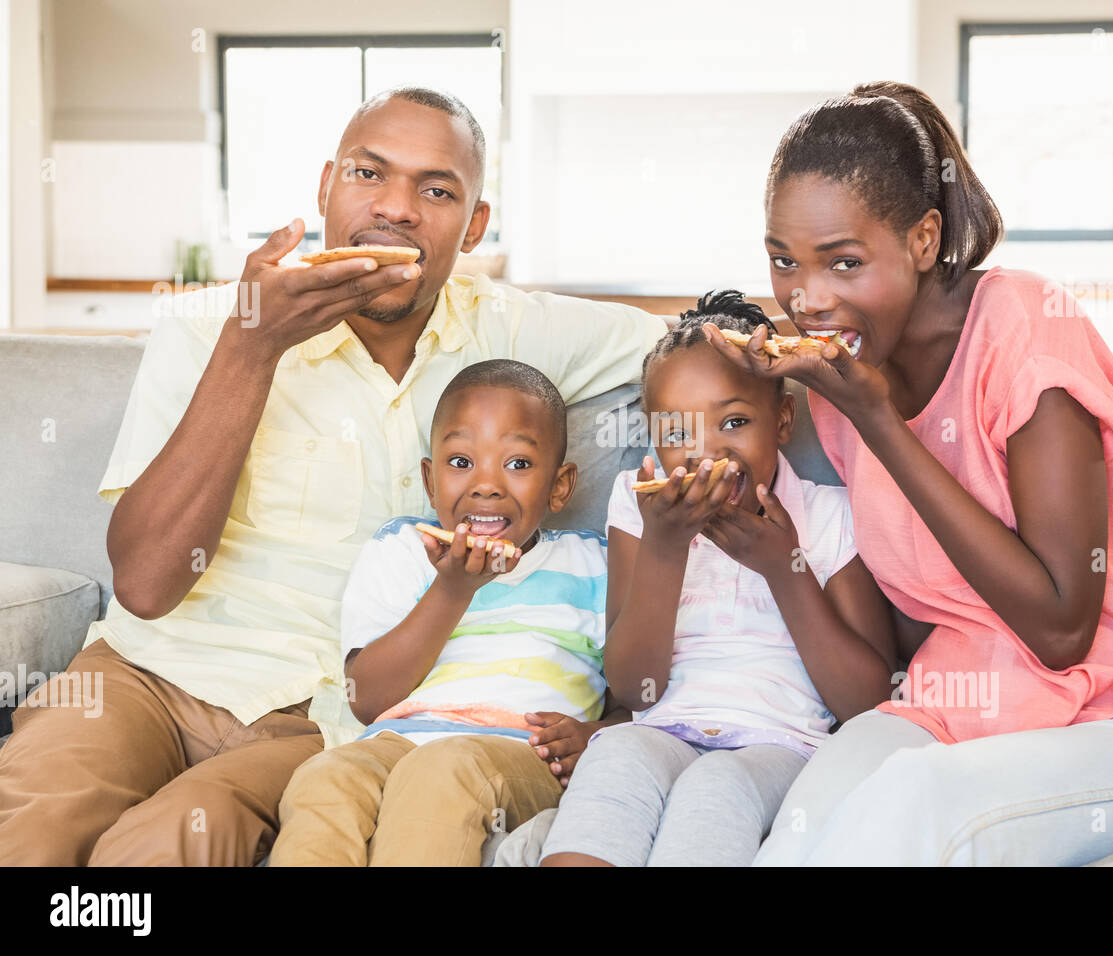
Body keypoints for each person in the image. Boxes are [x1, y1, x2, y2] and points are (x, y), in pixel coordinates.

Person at [0, 87, 675, 866]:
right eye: (368, 174)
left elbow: (698, 347)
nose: (397, 209)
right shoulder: (206, 325)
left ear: (475, 224)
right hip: (148, 676)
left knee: (168, 841)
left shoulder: (511, 327)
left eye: (437, 189)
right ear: (326, 186)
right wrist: (251, 349)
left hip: (320, 714)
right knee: (32, 828)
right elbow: (148, 584)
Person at [702, 81, 1113, 865]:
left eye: (844, 262)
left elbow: (1060, 630)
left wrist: (880, 420)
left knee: (916, 802)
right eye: (784, 262)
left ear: (923, 240)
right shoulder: (838, 381)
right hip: (956, 707)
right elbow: (925, 617)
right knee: (802, 829)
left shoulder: (1022, 329)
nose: (807, 299)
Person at [532, 291, 894, 867]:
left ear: (781, 419)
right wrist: (665, 548)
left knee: (717, 784)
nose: (705, 452)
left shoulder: (830, 514)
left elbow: (868, 703)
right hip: (664, 728)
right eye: (677, 432)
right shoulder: (639, 506)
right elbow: (633, 689)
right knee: (617, 753)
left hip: (781, 745)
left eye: (734, 421)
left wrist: (786, 569)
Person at [268, 360, 624, 866]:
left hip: (522, 753)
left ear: (560, 486)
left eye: (518, 464)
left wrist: (597, 735)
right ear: (430, 481)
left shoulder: (595, 563)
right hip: (397, 741)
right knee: (324, 777)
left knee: (444, 768)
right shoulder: (401, 548)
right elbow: (366, 698)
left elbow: (644, 692)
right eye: (461, 463)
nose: (485, 485)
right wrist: (452, 590)